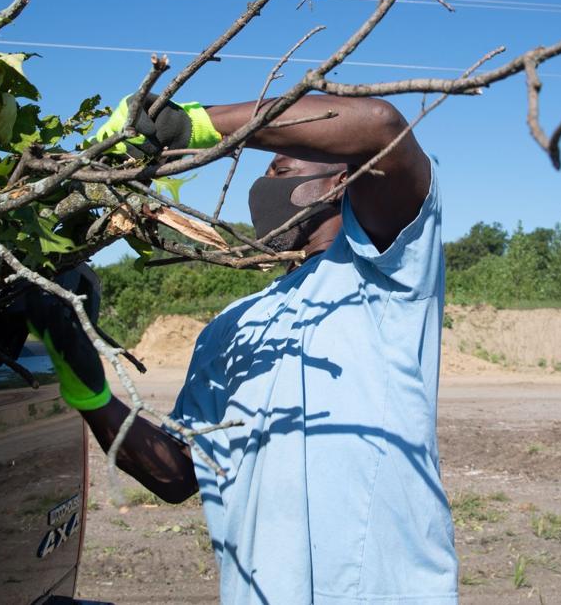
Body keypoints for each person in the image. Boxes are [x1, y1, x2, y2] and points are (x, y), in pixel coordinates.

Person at [43, 93, 457, 605]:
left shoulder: (388, 270)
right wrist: (83, 381)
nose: (264, 185)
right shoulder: (230, 326)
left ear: (341, 180)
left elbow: (379, 125)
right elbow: (175, 474)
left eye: (283, 168)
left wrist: (194, 124)